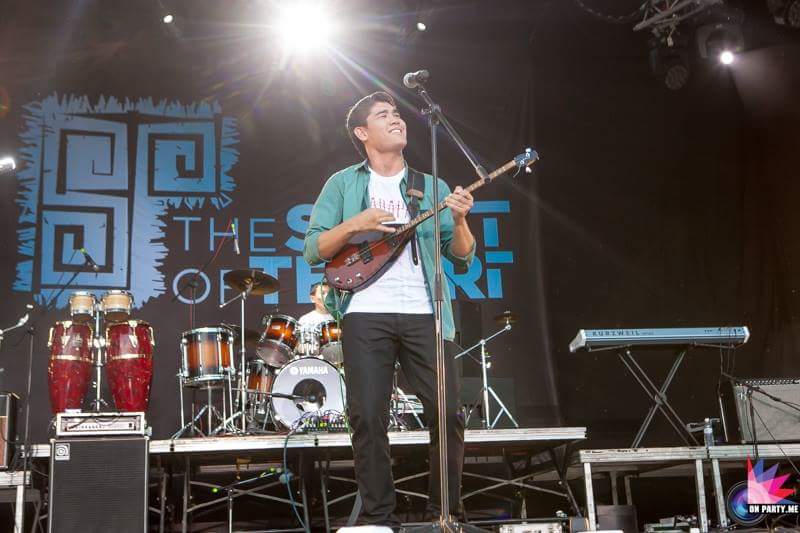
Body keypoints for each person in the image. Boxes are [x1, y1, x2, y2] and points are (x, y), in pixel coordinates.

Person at [303, 91, 475, 528]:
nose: (397, 119)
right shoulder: (343, 184)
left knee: (448, 413)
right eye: (384, 115)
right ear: (363, 133)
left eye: (397, 113)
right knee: (367, 415)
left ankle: (445, 514)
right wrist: (356, 223)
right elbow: (313, 248)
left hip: (426, 314)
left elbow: (461, 256)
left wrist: (459, 220)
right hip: (365, 313)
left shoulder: (430, 186)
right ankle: (378, 517)